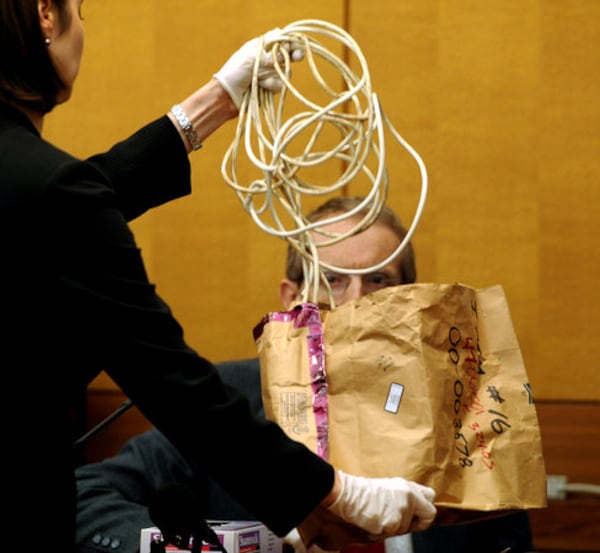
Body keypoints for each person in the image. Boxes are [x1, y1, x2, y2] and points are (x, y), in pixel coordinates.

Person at [0, 2, 437, 552]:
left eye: (378, 281)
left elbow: (60, 207)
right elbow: (167, 378)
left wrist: (212, 106)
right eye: (80, 9)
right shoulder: (53, 193)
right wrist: (337, 494)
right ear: (45, 14)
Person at [75, 197, 536, 553]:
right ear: (293, 298)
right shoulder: (223, 401)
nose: (356, 301)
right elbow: (82, 497)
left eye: (379, 280)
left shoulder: (463, 419)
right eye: (332, 279)